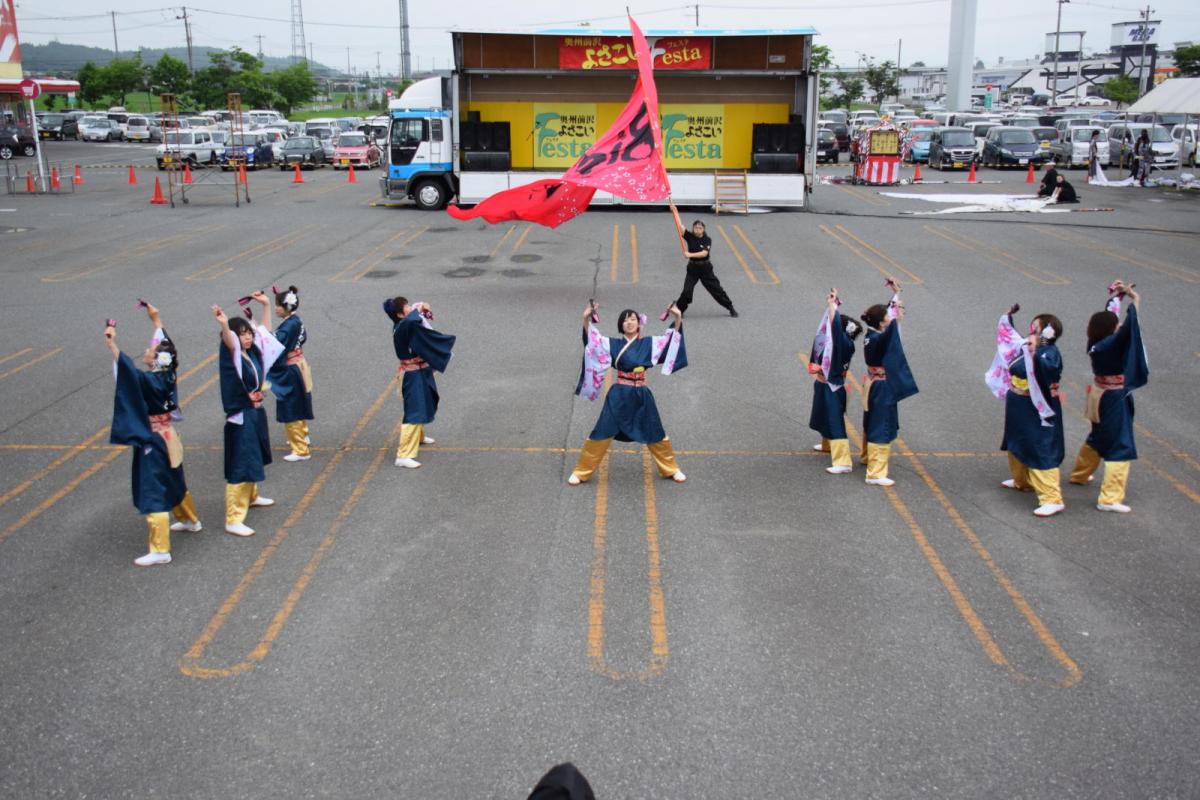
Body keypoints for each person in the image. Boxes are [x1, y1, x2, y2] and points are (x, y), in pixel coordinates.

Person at [105, 303, 201, 566]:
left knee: (153, 489)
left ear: (157, 360)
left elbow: (126, 370)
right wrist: (155, 319)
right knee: (173, 478)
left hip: (154, 440)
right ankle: (189, 519)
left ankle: (160, 549)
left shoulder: (150, 381)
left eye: (150, 350)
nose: (147, 350)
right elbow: (165, 344)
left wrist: (112, 345)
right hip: (168, 435)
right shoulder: (168, 375)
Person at [568, 302, 687, 485]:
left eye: (633, 319)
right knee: (601, 431)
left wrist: (678, 318)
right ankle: (581, 471)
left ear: (639, 323)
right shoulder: (612, 344)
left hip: (641, 393)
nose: (629, 322)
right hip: (619, 394)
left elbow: (671, 341)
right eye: (625, 320)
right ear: (621, 326)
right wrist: (586, 318)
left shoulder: (650, 344)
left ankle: (671, 468)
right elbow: (593, 340)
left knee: (656, 432)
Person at [1069, 281, 1148, 512]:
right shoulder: (1112, 343)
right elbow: (1128, 328)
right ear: (1111, 329)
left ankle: (1080, 474)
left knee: (1099, 435)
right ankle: (1110, 498)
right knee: (1120, 443)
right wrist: (1135, 300)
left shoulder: (1096, 341)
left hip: (1099, 393)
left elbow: (1110, 317)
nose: (1119, 324)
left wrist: (1118, 296)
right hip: (1114, 397)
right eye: (1116, 324)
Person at [214, 294, 284, 536]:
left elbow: (265, 334)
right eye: (242, 333)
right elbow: (229, 341)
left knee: (254, 455)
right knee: (241, 463)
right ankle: (233, 518)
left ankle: (252, 496)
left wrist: (265, 305)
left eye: (248, 333)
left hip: (254, 412)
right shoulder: (231, 355)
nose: (247, 337)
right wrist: (224, 324)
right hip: (240, 415)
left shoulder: (252, 353)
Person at [996, 309, 1066, 517]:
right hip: (1019, 402)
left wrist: (1036, 353)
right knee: (1017, 440)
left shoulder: (1049, 353)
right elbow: (1009, 341)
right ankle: (1022, 480)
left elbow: (1050, 371)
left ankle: (1052, 498)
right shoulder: (1027, 346)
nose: (1031, 330)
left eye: (1036, 327)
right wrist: (1007, 319)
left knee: (1040, 446)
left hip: (1037, 406)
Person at [859, 282, 919, 486]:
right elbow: (891, 329)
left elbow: (887, 323)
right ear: (881, 323)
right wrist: (896, 320)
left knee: (872, 420)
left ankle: (867, 458)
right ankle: (875, 473)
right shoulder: (879, 338)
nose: (891, 316)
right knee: (881, 425)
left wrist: (896, 294)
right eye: (888, 316)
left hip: (874, 384)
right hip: (882, 387)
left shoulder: (872, 334)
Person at [386, 296, 455, 469]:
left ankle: (418, 437)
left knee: (427, 401)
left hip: (420, 370)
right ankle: (403, 455)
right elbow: (413, 317)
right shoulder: (403, 326)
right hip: (413, 374)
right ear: (400, 314)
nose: (410, 308)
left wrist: (418, 308)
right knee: (415, 410)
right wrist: (421, 307)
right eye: (406, 306)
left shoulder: (406, 324)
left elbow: (414, 317)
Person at [808, 288, 862, 474]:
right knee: (822, 415)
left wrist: (832, 305)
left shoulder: (845, 344)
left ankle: (843, 462)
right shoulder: (838, 342)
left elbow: (834, 324)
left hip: (833, 387)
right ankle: (827, 444)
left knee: (834, 420)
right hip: (824, 384)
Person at [266, 285, 315, 462]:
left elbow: (274, 346)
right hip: (298, 363)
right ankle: (303, 437)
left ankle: (300, 448)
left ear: (286, 306)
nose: (275, 308)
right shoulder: (295, 322)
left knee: (290, 406)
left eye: (277, 305)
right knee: (298, 402)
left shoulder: (288, 326)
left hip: (290, 367)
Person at [667, 202, 737, 318]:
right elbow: (680, 226)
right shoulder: (690, 236)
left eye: (700, 228)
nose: (697, 229)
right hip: (693, 269)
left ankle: (730, 307)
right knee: (687, 292)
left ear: (703, 229)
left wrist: (689, 254)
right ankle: (680, 309)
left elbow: (704, 253)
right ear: (693, 228)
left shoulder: (707, 240)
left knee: (716, 290)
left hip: (705, 269)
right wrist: (674, 211)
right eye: (695, 227)